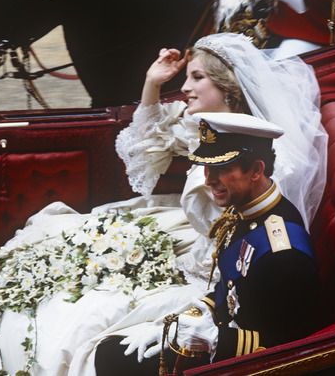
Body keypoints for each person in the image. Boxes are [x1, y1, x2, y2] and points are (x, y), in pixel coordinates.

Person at [0, 32, 328, 375]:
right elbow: (145, 163)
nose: (187, 87)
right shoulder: (217, 139)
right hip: (194, 253)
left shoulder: (272, 216)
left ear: (256, 171)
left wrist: (211, 332)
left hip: (200, 274)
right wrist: (151, 86)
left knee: (73, 325)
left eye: (198, 78)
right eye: (187, 75)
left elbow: (271, 319)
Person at [95, 113, 322, 375]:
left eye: (222, 168)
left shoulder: (284, 254)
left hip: (240, 362)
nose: (209, 180)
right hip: (223, 333)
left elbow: (291, 348)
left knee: (112, 359)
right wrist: (188, 319)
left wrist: (214, 338)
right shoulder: (245, 212)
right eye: (207, 167)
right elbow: (232, 288)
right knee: (112, 348)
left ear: (256, 170)